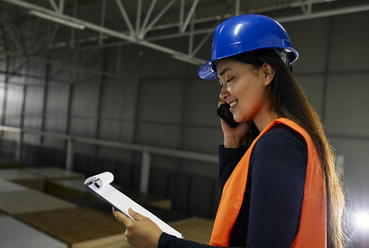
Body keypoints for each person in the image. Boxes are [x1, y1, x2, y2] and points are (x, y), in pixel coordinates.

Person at [113, 14, 345, 248]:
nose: (223, 93)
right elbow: (238, 225)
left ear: (266, 73)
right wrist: (232, 143)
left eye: (230, 78)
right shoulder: (281, 141)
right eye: (220, 84)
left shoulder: (278, 144)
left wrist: (161, 243)